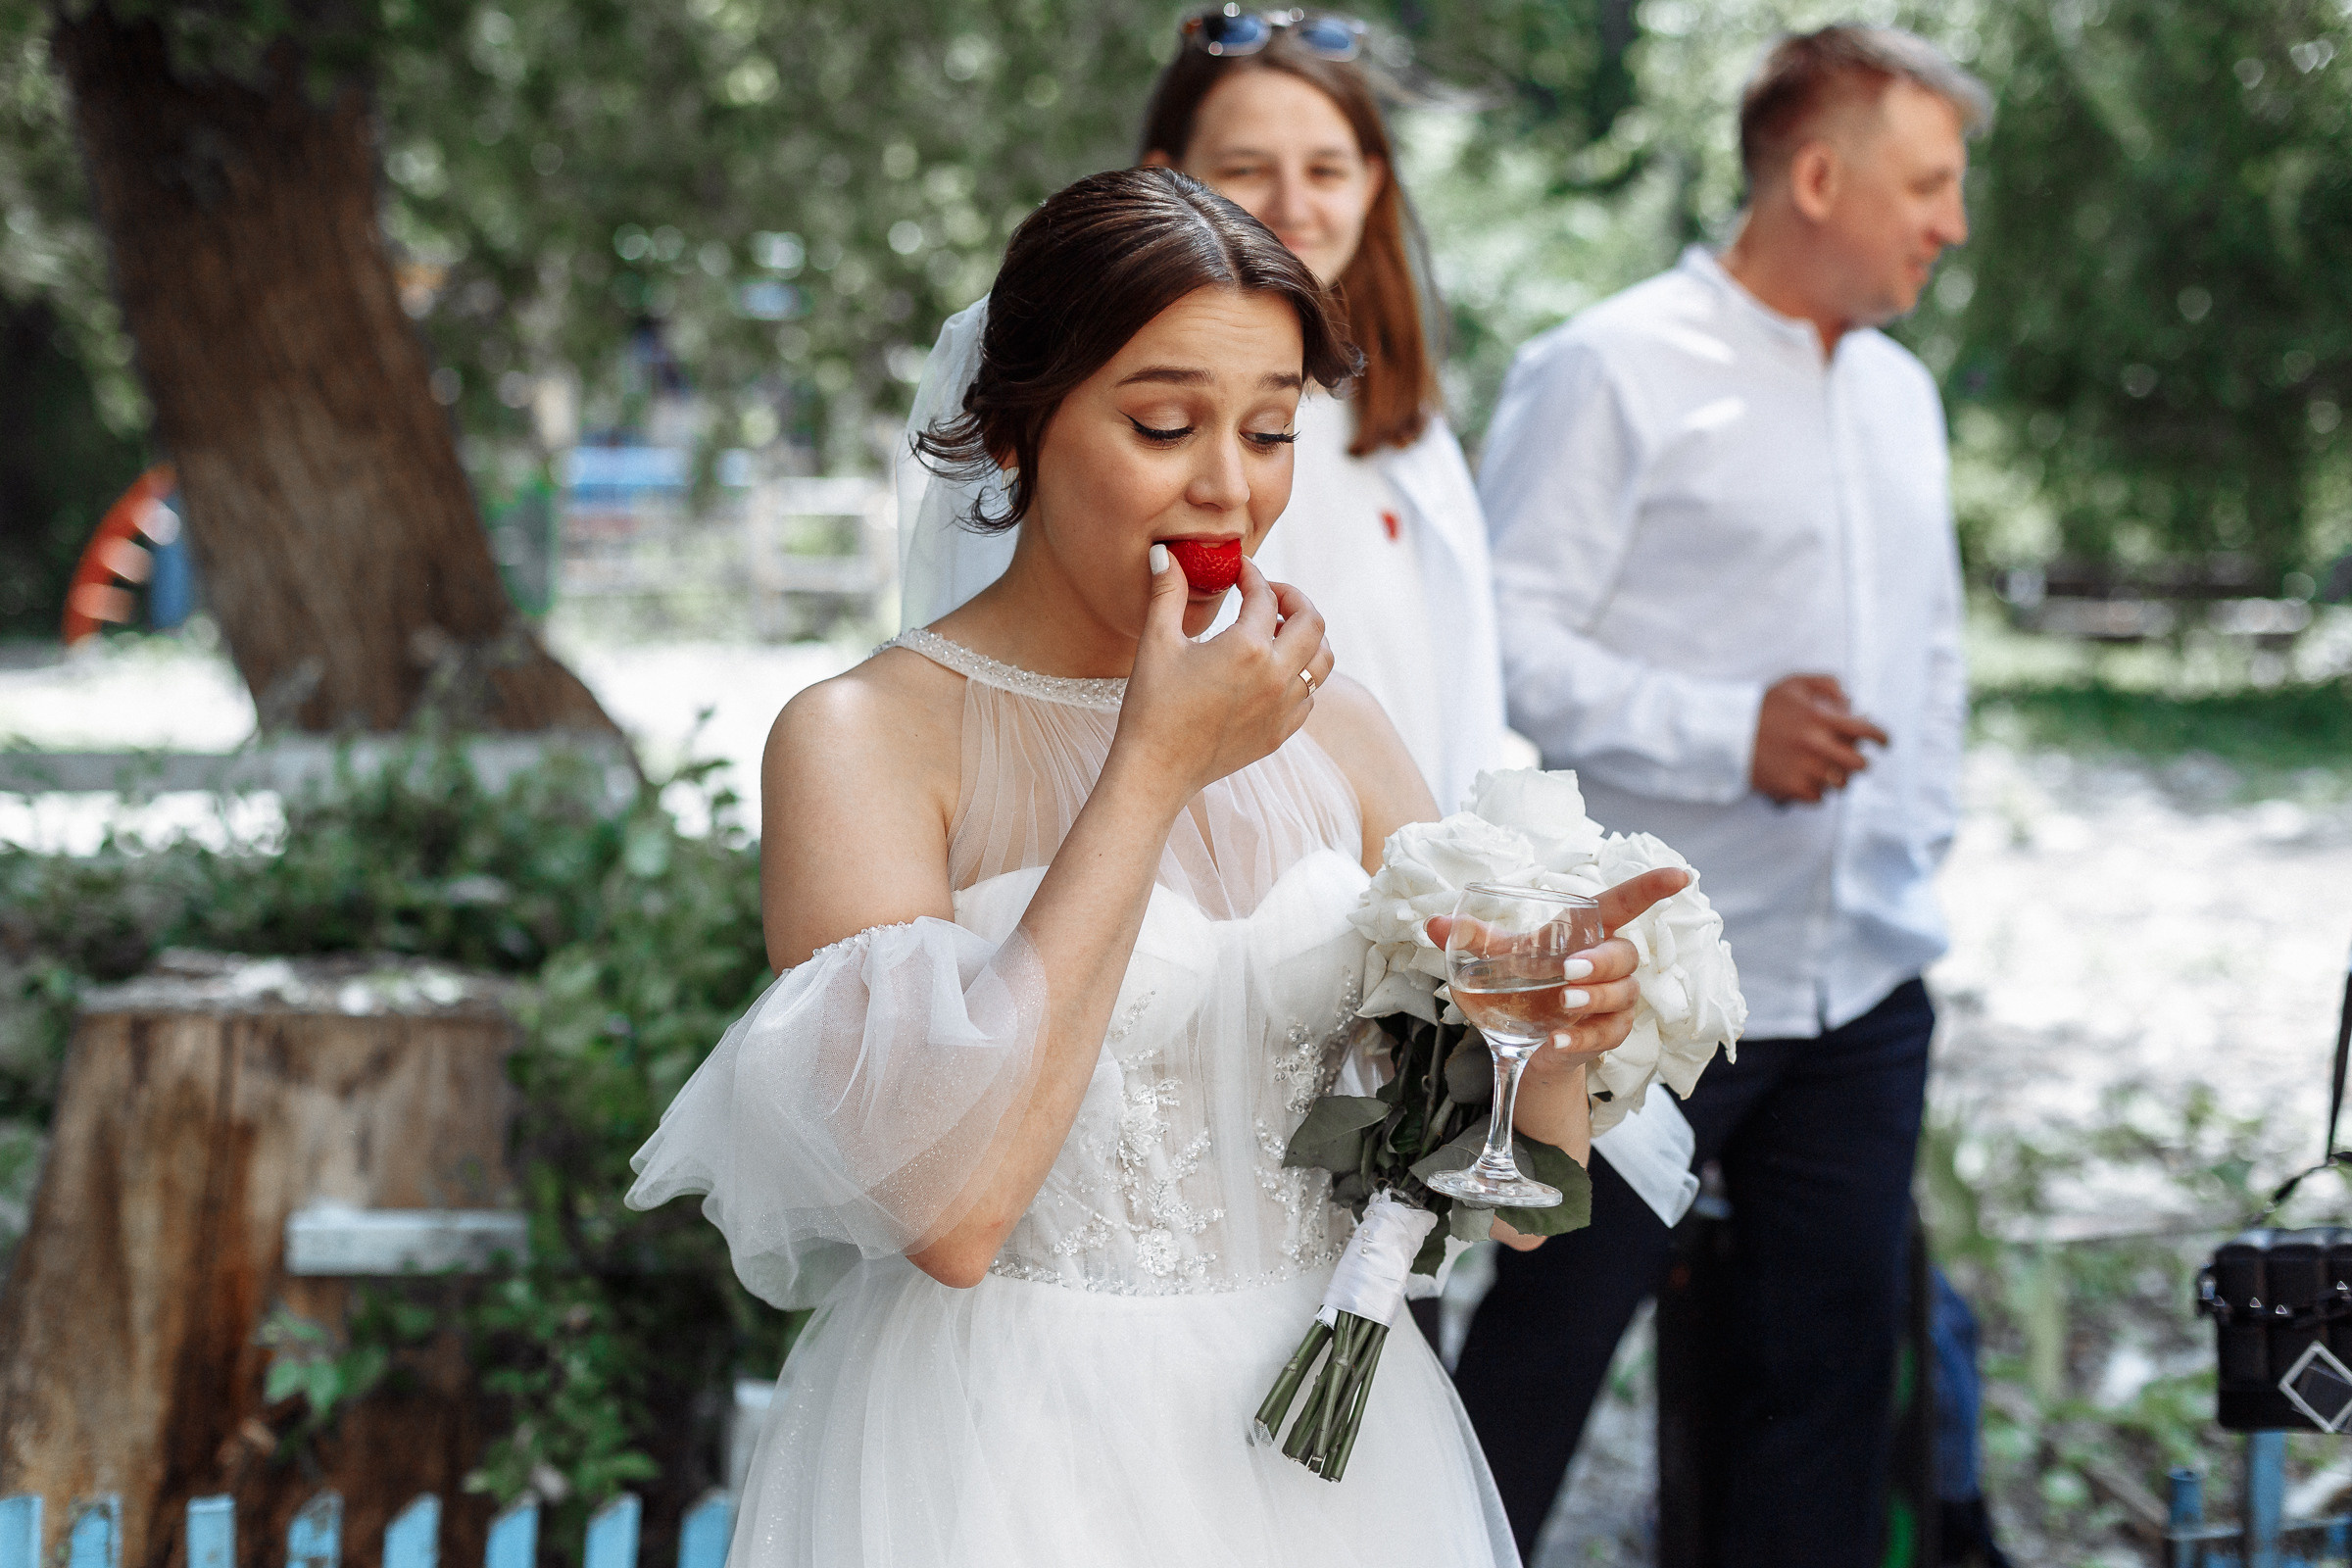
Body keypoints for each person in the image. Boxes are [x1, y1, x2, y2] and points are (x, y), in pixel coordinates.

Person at [628, 167, 1686, 1568]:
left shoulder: (1342, 728)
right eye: (1164, 423)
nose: (1228, 486)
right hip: (1000, 1457)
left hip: (1333, 1466)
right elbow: (950, 1212)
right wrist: (1155, 765)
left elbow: (1504, 1196)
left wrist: (1544, 1039)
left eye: (1268, 428)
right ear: (1016, 428)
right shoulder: (862, 741)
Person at [1456, 26, 1987, 1564]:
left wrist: (1918, 839)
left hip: (1866, 988)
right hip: (1649, 991)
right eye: (1929, 185)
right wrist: (1724, 735)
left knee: (1825, 1385)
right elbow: (1508, 637)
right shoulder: (1609, 368)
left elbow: (1934, 653)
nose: (1951, 224)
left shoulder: (1902, 396)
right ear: (1817, 177)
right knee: (1546, 1351)